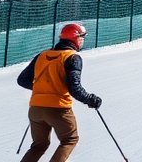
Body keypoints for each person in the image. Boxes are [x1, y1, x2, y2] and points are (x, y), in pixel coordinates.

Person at [16, 22, 102, 162]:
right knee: (70, 139)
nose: (83, 40)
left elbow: (22, 80)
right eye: (81, 37)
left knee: (39, 145)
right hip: (59, 109)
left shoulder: (42, 55)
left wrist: (43, 88)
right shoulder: (72, 57)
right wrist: (91, 99)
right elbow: (74, 87)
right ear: (74, 38)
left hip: (36, 109)